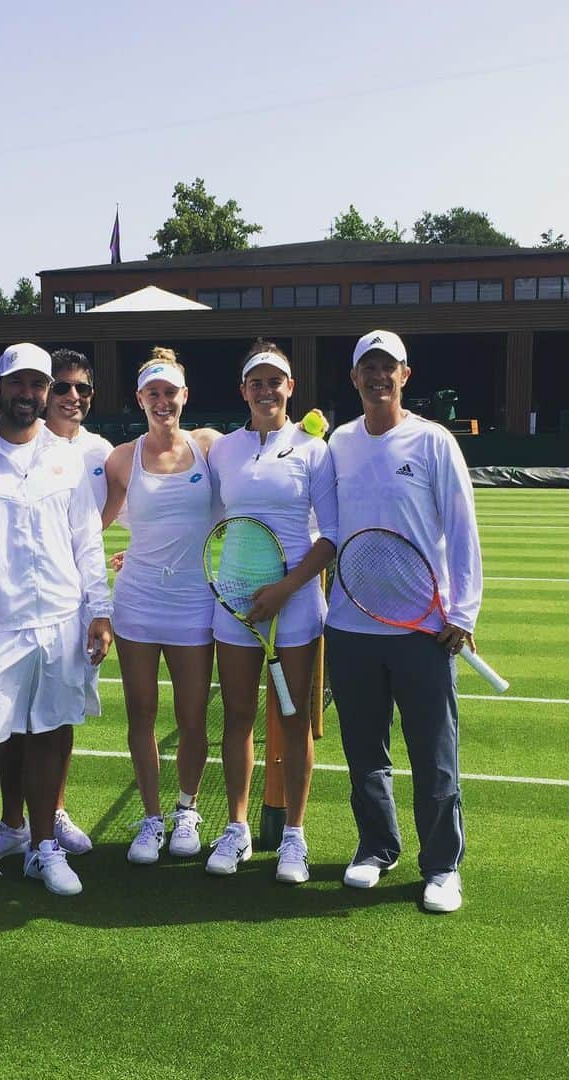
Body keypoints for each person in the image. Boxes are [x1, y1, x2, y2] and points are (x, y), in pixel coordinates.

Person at [0, 343, 113, 909]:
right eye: (20, 384)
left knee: (52, 737)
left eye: (38, 385)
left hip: (61, 622)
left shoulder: (70, 459)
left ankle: (42, 845)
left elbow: (87, 540)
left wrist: (99, 611)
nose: (29, 395)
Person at [325, 329, 482, 914]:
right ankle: (376, 848)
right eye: (368, 368)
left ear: (405, 375)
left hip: (422, 632)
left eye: (388, 367)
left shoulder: (435, 441)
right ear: (355, 377)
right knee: (365, 755)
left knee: (434, 759)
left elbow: (463, 531)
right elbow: (324, 529)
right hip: (350, 626)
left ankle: (442, 866)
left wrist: (462, 612)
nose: (378, 377)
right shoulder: (338, 443)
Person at [205, 340, 338, 883]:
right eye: (256, 382)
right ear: (244, 391)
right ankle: (236, 829)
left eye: (275, 381)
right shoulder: (221, 450)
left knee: (294, 718)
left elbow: (329, 536)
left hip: (297, 604)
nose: (266, 389)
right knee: (237, 718)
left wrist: (285, 589)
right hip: (235, 603)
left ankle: (293, 838)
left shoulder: (314, 448)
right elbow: (202, 513)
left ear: (291, 388)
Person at [101, 348, 219, 865]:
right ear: (140, 399)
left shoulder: (211, 446)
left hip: (194, 601)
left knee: (192, 717)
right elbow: (92, 525)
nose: (162, 400)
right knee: (141, 714)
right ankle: (151, 819)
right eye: (153, 392)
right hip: (137, 602)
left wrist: (309, 434)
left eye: (171, 391)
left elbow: (264, 472)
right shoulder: (121, 458)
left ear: (184, 396)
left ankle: (186, 810)